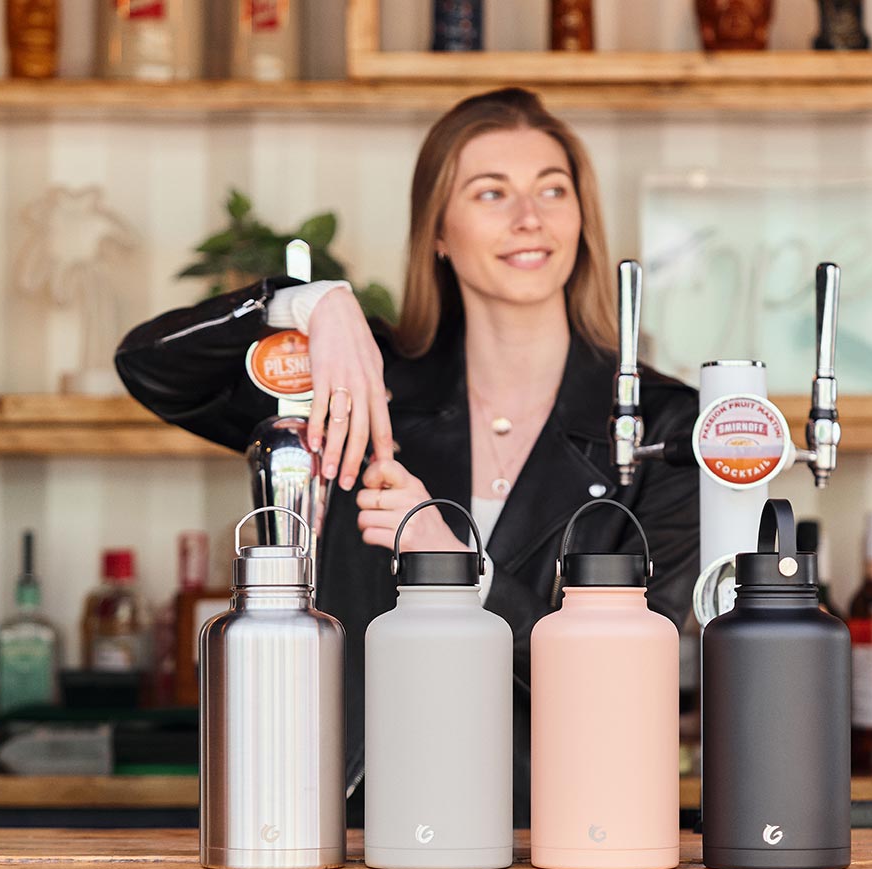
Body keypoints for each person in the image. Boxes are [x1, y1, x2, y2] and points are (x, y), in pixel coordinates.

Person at [116, 86, 699, 828]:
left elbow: (624, 681)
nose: (531, 218)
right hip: (365, 822)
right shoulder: (361, 389)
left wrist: (452, 562)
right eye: (492, 192)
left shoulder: (666, 426)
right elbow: (150, 367)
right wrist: (307, 306)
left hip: (560, 828)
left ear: (580, 218)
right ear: (439, 233)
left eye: (554, 190)